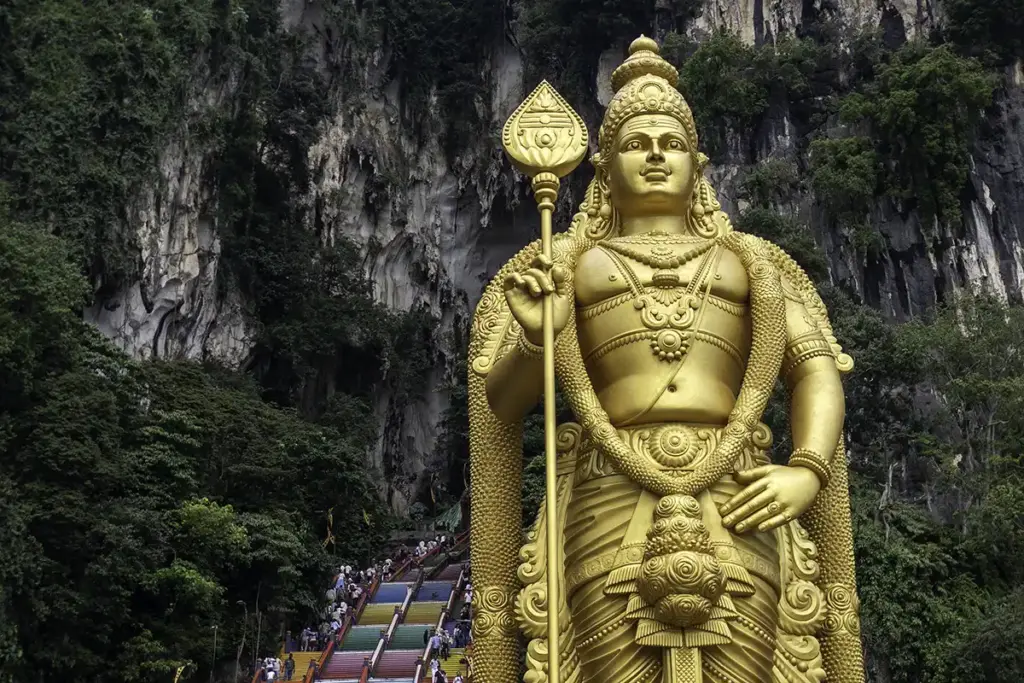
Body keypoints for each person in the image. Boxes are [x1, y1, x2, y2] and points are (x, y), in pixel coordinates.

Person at [468, 35, 864, 683]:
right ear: (605, 166)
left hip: (737, 492)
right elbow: (503, 402)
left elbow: (813, 366)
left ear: (698, 164)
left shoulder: (749, 265)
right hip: (609, 492)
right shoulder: (568, 267)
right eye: (635, 143)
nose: (655, 154)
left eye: (672, 143)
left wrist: (809, 468)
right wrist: (538, 337)